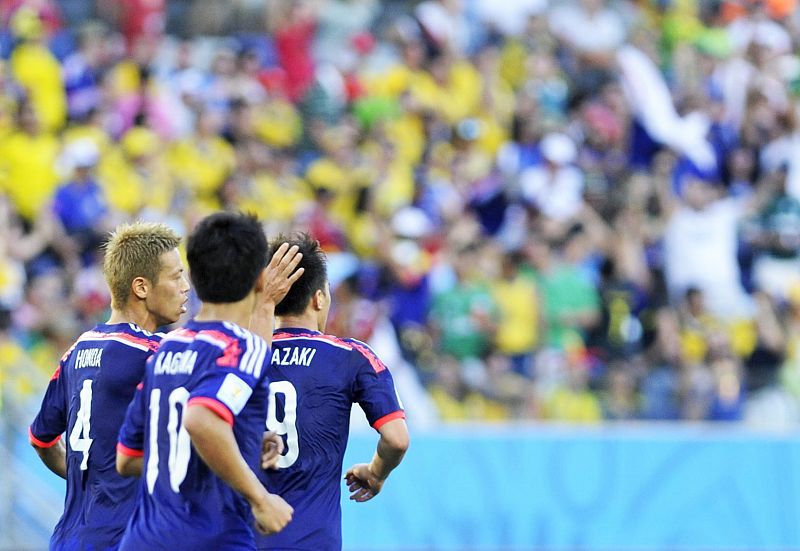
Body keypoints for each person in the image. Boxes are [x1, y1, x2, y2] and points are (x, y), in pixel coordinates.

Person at [116, 212, 302, 550]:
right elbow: (201, 419)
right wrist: (261, 499)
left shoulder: (165, 350)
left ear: (196, 278)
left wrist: (240, 446)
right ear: (260, 280)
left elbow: (127, 458)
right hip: (211, 538)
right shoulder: (242, 347)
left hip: (142, 540)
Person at [28, 221, 190, 551]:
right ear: (142, 287)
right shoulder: (155, 354)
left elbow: (41, 439)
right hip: (124, 540)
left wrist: (93, 482)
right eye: (176, 276)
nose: (186, 287)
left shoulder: (76, 351)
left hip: (68, 540)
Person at [256, 233, 409, 551]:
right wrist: (376, 472)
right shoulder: (350, 356)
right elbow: (397, 438)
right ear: (319, 298)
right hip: (312, 540)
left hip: (244, 537)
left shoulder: (238, 355)